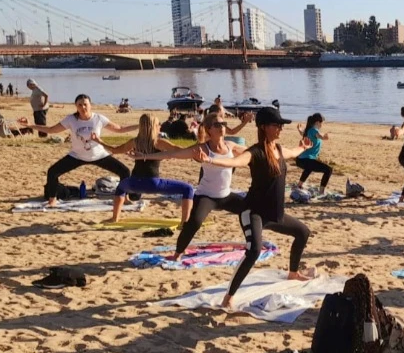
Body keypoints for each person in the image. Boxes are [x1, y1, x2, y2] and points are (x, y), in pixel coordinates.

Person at [193, 107, 313, 309]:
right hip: (254, 213)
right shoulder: (255, 152)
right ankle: (228, 297)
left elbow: (293, 152)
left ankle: (293, 272)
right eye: (277, 125)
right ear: (264, 127)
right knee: (254, 251)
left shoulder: (280, 150)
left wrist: (303, 147)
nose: (280, 129)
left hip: (274, 214)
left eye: (281, 125)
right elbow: (235, 161)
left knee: (303, 232)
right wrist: (210, 159)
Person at [134, 112, 247, 260]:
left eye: (224, 124)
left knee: (249, 212)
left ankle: (252, 244)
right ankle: (177, 254)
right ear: (208, 129)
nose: (222, 127)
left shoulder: (231, 146)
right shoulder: (201, 149)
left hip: (226, 195)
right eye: (217, 125)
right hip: (206, 196)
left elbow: (253, 153)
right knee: (194, 223)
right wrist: (144, 156)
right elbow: (171, 154)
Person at [18, 94, 138, 206]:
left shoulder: (98, 118)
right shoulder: (71, 119)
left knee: (125, 171)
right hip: (77, 156)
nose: (83, 107)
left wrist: (140, 126)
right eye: (80, 105)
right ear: (76, 106)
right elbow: (51, 130)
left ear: (90, 105)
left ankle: (125, 198)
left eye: (85, 104)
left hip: (99, 155)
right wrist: (30, 126)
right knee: (52, 172)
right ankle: (52, 200)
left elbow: (120, 129)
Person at [91, 114, 194, 224]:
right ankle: (185, 222)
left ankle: (114, 218)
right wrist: (196, 150)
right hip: (153, 184)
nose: (160, 126)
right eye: (158, 124)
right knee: (188, 189)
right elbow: (179, 150)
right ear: (153, 126)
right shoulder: (158, 142)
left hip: (134, 183)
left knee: (121, 187)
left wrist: (98, 141)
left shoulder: (134, 142)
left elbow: (114, 150)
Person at [295, 113, 332, 194]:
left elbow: (302, 133)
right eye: (322, 123)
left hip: (301, 159)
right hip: (306, 159)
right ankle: (321, 191)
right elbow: (320, 136)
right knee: (328, 170)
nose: (322, 125)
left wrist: (299, 129)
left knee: (309, 168)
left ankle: (299, 185)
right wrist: (325, 137)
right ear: (318, 122)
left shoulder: (308, 130)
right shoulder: (314, 130)